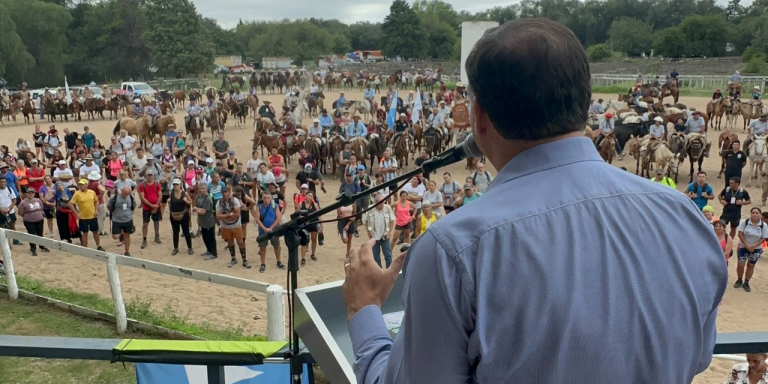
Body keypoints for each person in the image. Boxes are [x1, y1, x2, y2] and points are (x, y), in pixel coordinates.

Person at [341, 19, 725, 384]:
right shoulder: (683, 215)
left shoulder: (453, 249)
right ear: (584, 102)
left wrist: (364, 310)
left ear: (478, 117)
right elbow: (698, 354)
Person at [734, 206, 768, 292]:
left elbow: (764, 238)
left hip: (756, 249)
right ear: (750, 213)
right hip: (743, 247)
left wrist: (753, 246)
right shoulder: (744, 222)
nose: (755, 215)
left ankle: (746, 282)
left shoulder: (763, 225)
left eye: (757, 213)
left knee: (751, 265)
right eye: (753, 213)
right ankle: (739, 279)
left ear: (760, 214)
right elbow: (740, 234)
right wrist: (747, 245)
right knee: (740, 264)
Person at [217, 187, 249, 268]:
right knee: (230, 242)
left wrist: (224, 217)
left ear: (229, 192)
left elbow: (237, 214)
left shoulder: (234, 200)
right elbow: (217, 216)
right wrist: (229, 215)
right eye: (223, 192)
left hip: (236, 225)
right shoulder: (219, 202)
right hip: (226, 226)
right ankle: (233, 258)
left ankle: (244, 259)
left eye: (226, 192)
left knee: (240, 242)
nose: (224, 194)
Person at [69, 178, 104, 251]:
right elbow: (71, 204)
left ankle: (98, 245)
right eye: (80, 184)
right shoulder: (77, 193)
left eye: (82, 184)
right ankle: (85, 248)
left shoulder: (92, 192)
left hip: (92, 216)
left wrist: (96, 210)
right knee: (85, 233)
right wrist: (76, 213)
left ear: (86, 185)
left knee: (95, 232)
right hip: (83, 217)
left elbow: (96, 201)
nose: (81, 186)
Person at [363, 194, 395, 268]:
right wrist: (368, 232)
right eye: (380, 203)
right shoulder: (370, 209)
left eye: (383, 202)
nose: (382, 204)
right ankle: (379, 271)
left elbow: (392, 221)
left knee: (388, 255)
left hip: (385, 236)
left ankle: (388, 270)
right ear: (376, 202)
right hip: (374, 237)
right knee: (376, 256)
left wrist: (389, 233)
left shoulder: (388, 208)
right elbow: (366, 221)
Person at [255, 192, 284, 273]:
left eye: (268, 198)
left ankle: (279, 261)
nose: (266, 200)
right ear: (262, 199)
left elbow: (278, 218)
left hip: (274, 230)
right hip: (262, 230)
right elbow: (257, 219)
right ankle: (263, 263)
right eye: (264, 198)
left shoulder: (275, 206)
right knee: (262, 247)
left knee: (276, 246)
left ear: (271, 199)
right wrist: (264, 228)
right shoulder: (259, 207)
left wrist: (271, 228)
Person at [17, 187, 49, 256]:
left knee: (40, 234)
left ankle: (42, 246)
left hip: (39, 219)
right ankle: (33, 249)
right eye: (29, 193)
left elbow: (41, 208)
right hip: (29, 221)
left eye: (32, 193)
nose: (31, 194)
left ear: (34, 194)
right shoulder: (23, 202)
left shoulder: (38, 200)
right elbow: (19, 212)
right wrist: (26, 216)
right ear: (26, 194)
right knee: (31, 234)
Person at [108, 185, 136, 257]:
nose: (125, 195)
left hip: (128, 219)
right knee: (115, 236)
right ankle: (121, 232)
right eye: (124, 193)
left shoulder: (131, 197)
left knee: (127, 235)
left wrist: (131, 212)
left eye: (127, 194)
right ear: (121, 191)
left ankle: (127, 251)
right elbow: (109, 205)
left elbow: (134, 205)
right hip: (117, 220)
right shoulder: (114, 197)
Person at [168, 178, 193, 256]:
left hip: (183, 215)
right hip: (174, 215)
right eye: (174, 184)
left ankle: (190, 247)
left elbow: (190, 202)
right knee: (175, 232)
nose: (175, 186)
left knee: (186, 232)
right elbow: (170, 204)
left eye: (177, 184)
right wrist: (170, 213)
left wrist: (186, 201)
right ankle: (176, 248)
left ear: (180, 185)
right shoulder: (171, 193)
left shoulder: (184, 193)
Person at [138, 171, 162, 249]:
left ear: (153, 176)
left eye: (151, 175)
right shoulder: (142, 185)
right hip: (147, 207)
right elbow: (142, 197)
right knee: (145, 224)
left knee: (156, 222)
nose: (150, 177)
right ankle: (144, 239)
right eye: (148, 175)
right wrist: (152, 205)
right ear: (146, 176)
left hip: (155, 205)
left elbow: (160, 195)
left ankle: (157, 235)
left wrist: (156, 206)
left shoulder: (156, 184)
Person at [194, 183, 217, 260]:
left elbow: (203, 211)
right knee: (205, 237)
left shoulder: (208, 198)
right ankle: (208, 250)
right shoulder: (199, 197)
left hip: (209, 221)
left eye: (202, 188)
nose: (201, 190)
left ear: (206, 189)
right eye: (200, 188)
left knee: (211, 238)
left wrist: (195, 210)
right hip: (202, 221)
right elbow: (198, 207)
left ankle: (214, 253)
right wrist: (197, 209)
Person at [298, 190, 320, 265]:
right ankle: (303, 258)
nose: (310, 197)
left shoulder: (315, 205)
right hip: (304, 225)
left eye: (311, 196)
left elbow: (319, 215)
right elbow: (297, 214)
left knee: (314, 239)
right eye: (308, 195)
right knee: (304, 241)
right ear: (306, 196)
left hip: (313, 223)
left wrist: (321, 224)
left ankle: (313, 254)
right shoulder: (301, 204)